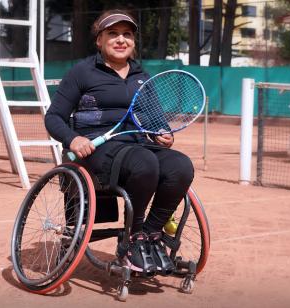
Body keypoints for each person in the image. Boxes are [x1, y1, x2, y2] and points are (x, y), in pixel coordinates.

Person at [44, 10, 194, 277]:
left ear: (133, 41)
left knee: (180, 166)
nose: (121, 40)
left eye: (127, 34)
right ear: (99, 40)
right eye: (112, 34)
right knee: (144, 162)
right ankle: (133, 239)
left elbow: (156, 120)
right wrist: (73, 138)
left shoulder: (142, 77)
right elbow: (54, 117)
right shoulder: (82, 72)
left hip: (139, 147)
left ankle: (150, 235)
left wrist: (163, 134)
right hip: (97, 149)